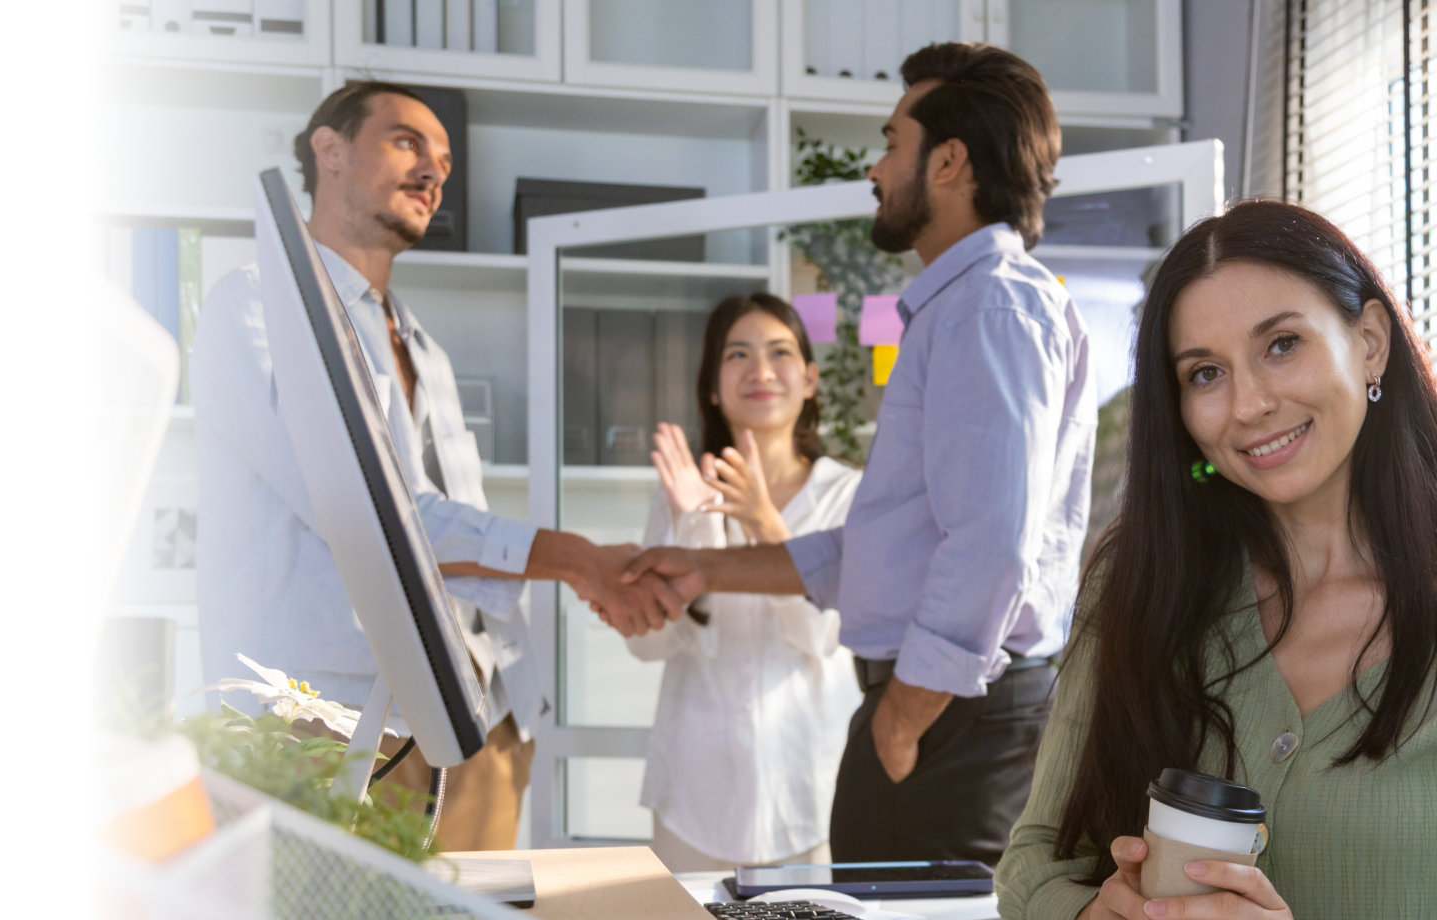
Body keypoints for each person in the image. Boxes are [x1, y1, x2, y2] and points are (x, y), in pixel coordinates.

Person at [619, 42, 1090, 865]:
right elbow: (880, 553)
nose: (876, 168)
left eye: (891, 142)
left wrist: (903, 717)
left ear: (947, 163)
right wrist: (706, 571)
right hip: (944, 708)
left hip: (950, 715)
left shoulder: (988, 308)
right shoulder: (963, 309)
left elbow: (990, 545)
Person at [191, 81, 683, 850]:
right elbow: (365, 511)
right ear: (329, 151)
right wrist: (578, 560)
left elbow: (446, 534)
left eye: (444, 161)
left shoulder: (427, 350)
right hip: (326, 726)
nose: (433, 172)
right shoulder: (254, 309)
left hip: (479, 721)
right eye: (407, 142)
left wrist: (573, 586)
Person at [995, 202, 1437, 918]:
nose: (1249, 404)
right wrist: (1086, 913)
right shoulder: (1141, 585)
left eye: (1283, 344)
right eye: (1205, 374)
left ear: (1371, 342)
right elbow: (1036, 858)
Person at [622, 293, 863, 872]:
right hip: (693, 793)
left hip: (810, 792)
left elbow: (823, 638)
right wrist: (693, 523)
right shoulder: (681, 493)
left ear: (809, 379)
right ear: (712, 385)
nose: (759, 371)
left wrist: (762, 521)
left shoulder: (847, 495)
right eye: (737, 354)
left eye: (780, 352)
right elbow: (648, 643)